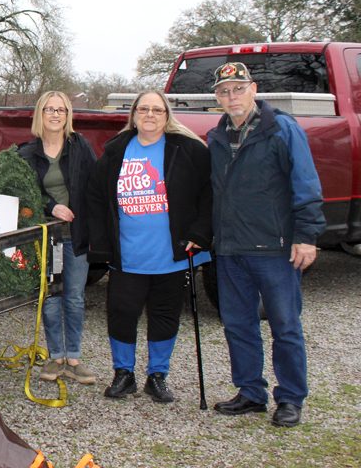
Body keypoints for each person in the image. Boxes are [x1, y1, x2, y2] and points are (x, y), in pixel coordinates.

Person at [207, 61, 324, 428]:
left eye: (238, 89)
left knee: (285, 326)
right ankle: (250, 392)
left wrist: (306, 236)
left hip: (274, 250)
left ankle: (290, 398)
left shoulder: (281, 129)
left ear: (254, 89)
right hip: (229, 250)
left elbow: (306, 185)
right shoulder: (216, 136)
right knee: (238, 325)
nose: (232, 96)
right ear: (217, 97)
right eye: (225, 91)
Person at [87, 90, 212, 403]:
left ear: (167, 115)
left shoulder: (188, 150)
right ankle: (123, 374)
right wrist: (102, 243)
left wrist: (201, 232)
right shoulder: (116, 150)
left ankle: (157, 376)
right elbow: (96, 197)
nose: (150, 115)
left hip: (172, 254)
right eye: (144, 109)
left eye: (157, 109)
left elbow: (210, 194)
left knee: (165, 314)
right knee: (121, 313)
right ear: (134, 114)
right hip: (128, 255)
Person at [18, 91, 98, 385]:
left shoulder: (80, 147)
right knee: (50, 297)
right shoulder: (27, 154)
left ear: (68, 116)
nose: (55, 115)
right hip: (46, 237)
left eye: (61, 110)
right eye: (49, 109)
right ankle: (55, 356)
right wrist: (52, 206)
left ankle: (73, 358)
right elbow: (24, 194)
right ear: (40, 114)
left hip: (76, 235)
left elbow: (95, 183)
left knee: (74, 296)